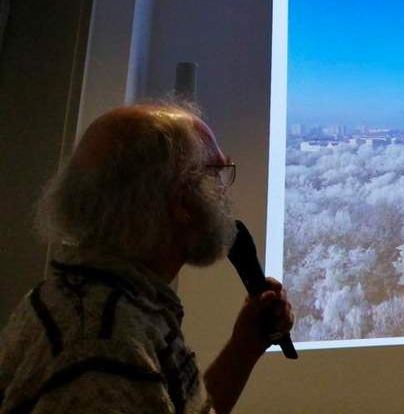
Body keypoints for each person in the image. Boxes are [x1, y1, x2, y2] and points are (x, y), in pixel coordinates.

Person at [0, 101, 293, 413]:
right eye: (216, 173)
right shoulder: (104, 343)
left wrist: (244, 347)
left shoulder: (94, 303)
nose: (224, 192)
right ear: (182, 200)